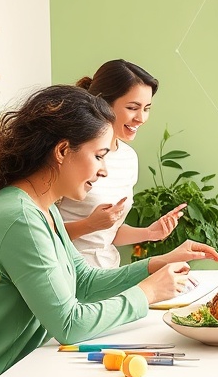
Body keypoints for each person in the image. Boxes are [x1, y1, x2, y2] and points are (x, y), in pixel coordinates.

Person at [0, 85, 218, 377]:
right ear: (62, 151)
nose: (104, 169)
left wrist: (153, 265)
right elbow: (70, 325)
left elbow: (83, 282)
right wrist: (148, 293)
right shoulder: (20, 218)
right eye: (99, 155)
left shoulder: (41, 209)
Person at [57, 59, 180, 268]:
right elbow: (39, 236)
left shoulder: (129, 158)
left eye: (147, 108)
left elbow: (107, 234)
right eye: (133, 107)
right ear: (103, 103)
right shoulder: (71, 153)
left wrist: (150, 232)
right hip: (69, 274)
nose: (141, 118)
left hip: (109, 274)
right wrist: (88, 225)